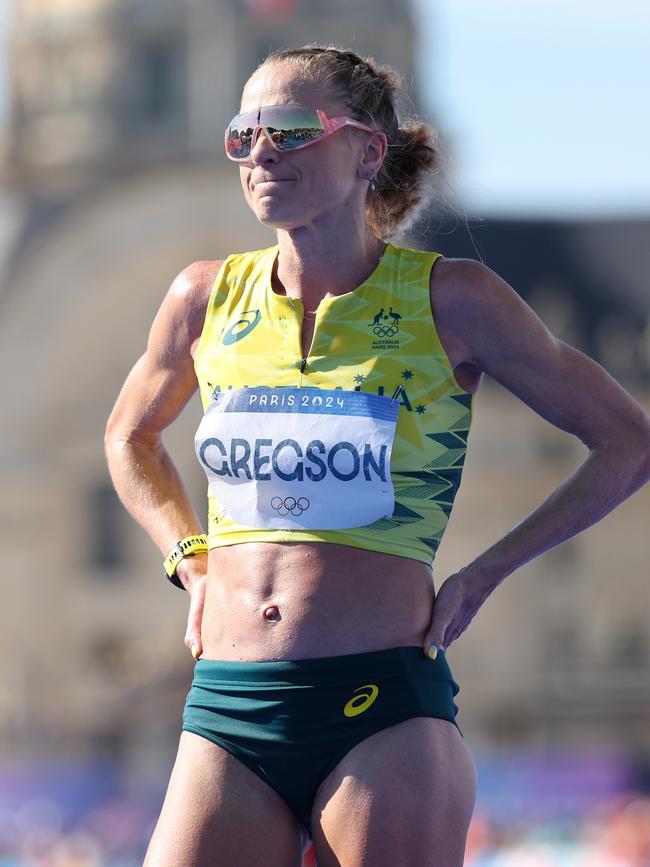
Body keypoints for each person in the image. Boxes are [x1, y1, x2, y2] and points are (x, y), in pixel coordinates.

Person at [104, 44, 650, 867]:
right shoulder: (203, 297)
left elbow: (627, 440)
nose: (260, 152)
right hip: (227, 705)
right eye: (242, 133)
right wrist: (189, 557)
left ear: (366, 150)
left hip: (381, 710)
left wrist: (488, 570)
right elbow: (128, 437)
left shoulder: (452, 298)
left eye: (289, 129)